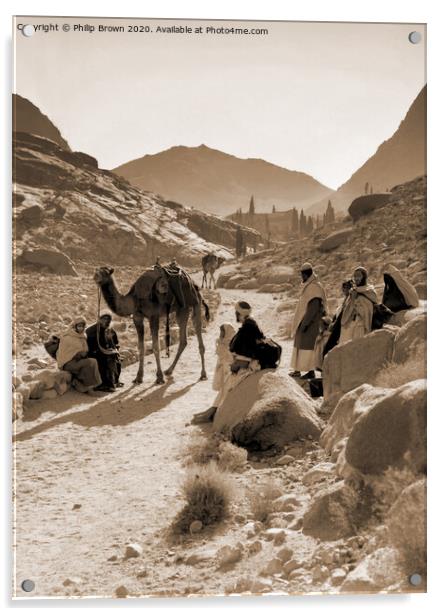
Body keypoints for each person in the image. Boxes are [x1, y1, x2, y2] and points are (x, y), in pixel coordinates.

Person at [191, 301, 263, 424]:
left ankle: (213, 413)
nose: (235, 314)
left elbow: (247, 355)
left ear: (239, 313)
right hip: (245, 364)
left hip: (248, 367)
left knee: (229, 384)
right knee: (226, 384)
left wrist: (235, 366)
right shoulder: (249, 325)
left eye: (236, 312)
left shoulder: (248, 328)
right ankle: (212, 411)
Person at [191, 322, 236, 424]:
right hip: (225, 373)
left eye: (222, 331)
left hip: (230, 374)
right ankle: (209, 412)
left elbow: (229, 359)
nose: (220, 334)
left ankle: (210, 414)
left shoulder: (233, 344)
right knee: (222, 392)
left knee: (224, 393)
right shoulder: (223, 342)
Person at [290, 262, 327, 379]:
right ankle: (297, 370)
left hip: (311, 324)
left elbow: (313, 308)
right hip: (304, 322)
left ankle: (310, 372)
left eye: (302, 275)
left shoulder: (314, 288)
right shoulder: (310, 286)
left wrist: (305, 324)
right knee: (300, 346)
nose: (302, 278)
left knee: (308, 349)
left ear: (306, 275)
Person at [56, 316, 101, 393]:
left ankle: (84, 385)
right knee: (91, 362)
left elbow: (84, 350)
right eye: (79, 326)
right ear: (75, 326)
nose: (81, 328)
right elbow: (64, 353)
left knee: (92, 361)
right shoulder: (67, 337)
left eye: (82, 326)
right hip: (67, 363)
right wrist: (77, 354)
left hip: (77, 361)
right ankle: (90, 389)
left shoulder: (82, 336)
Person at [339, 266, 377, 344]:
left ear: (364, 277)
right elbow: (347, 308)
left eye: (359, 276)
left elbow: (368, 307)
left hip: (362, 324)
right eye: (355, 276)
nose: (356, 278)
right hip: (350, 325)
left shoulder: (369, 291)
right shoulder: (353, 291)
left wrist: (356, 303)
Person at [86, 312, 122, 392]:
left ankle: (115, 381)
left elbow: (116, 342)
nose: (107, 321)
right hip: (94, 352)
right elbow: (88, 345)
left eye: (108, 319)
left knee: (116, 359)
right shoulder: (91, 330)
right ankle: (106, 384)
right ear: (99, 319)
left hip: (108, 351)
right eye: (104, 319)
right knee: (104, 360)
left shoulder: (110, 330)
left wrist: (115, 349)